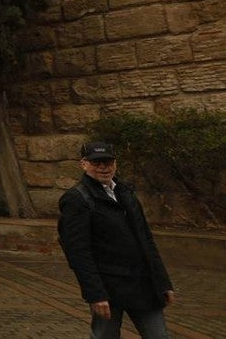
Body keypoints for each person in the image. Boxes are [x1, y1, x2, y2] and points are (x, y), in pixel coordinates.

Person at [58, 142, 174, 339]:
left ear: (115, 163)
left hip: (143, 285)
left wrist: (163, 282)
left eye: (108, 162)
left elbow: (146, 240)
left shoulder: (125, 192)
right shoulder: (77, 199)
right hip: (108, 289)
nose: (103, 167)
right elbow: (78, 252)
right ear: (84, 164)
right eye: (97, 162)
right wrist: (95, 294)